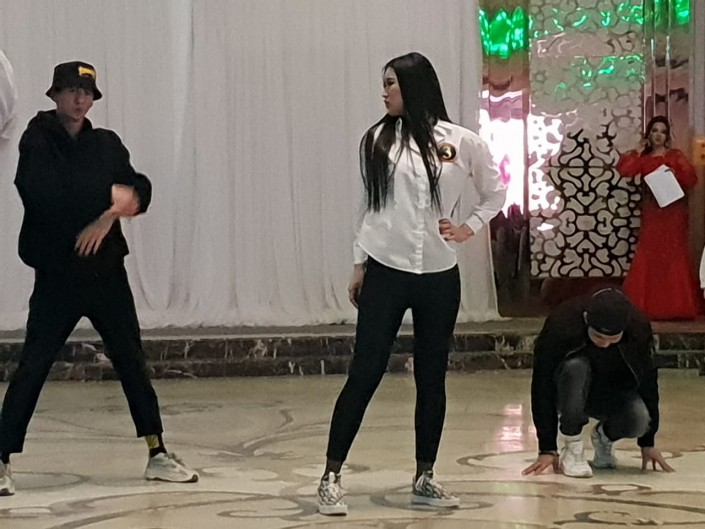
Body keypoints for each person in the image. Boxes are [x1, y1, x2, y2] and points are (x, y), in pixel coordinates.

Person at [316, 52, 506, 515]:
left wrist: (468, 227)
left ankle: (425, 476)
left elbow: (495, 192)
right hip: (386, 269)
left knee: (432, 377)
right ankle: (331, 475)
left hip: (438, 275)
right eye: (384, 84)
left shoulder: (461, 142)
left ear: (414, 86)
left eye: (391, 84)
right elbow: (368, 205)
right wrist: (359, 264)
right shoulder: (378, 140)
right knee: (366, 371)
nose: (384, 93)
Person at [0, 61, 198, 497]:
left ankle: (157, 452)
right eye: (72, 91)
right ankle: (2, 457)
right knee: (34, 363)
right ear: (55, 94)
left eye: (87, 93)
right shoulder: (37, 139)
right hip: (58, 276)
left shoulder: (106, 143)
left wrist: (110, 215)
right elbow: (44, 191)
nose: (80, 99)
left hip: (106, 274)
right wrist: (107, 200)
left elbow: (137, 186)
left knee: (131, 359)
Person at [522, 288, 674, 479]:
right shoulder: (562, 323)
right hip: (569, 390)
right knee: (576, 367)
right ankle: (573, 446)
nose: (605, 344)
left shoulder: (638, 328)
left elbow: (648, 382)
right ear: (586, 319)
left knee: (640, 419)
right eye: (599, 337)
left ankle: (604, 438)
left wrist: (647, 443)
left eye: (613, 339)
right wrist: (547, 448)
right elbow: (541, 383)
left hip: (611, 391)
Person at [616, 116, 701, 320]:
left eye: (662, 131)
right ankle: (645, 305)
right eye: (654, 130)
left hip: (673, 213)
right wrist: (637, 150)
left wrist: (675, 172)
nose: (658, 135)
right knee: (649, 252)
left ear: (667, 135)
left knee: (673, 254)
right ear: (649, 134)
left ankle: (676, 306)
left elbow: (691, 179)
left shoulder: (675, 156)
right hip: (652, 211)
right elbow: (625, 171)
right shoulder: (644, 158)